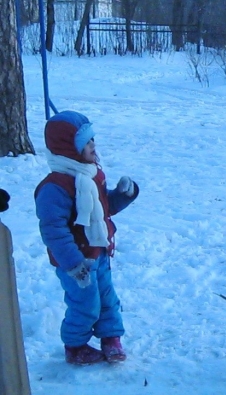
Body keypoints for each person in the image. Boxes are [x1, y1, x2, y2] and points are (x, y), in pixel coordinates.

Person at [35, 111, 139, 365]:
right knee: (85, 303)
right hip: (75, 262)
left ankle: (111, 337)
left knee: (108, 298)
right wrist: (73, 265)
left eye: (93, 140)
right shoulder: (55, 187)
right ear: (69, 149)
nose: (94, 146)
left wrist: (124, 195)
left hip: (99, 252)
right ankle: (75, 344)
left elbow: (103, 210)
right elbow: (53, 230)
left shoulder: (92, 175)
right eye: (87, 143)